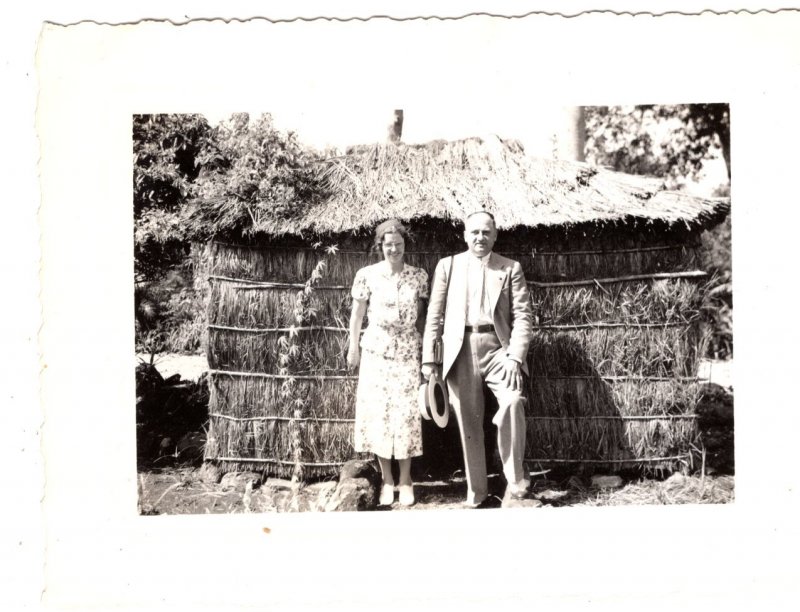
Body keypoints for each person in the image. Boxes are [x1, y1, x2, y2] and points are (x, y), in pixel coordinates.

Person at [422, 211, 534, 508]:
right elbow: (434, 316)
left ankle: (515, 479)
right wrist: (430, 361)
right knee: (468, 422)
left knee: (512, 401)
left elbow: (523, 317)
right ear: (464, 235)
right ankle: (478, 493)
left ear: (495, 235)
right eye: (474, 232)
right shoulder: (448, 266)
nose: (480, 238)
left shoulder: (510, 268)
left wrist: (515, 357)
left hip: (499, 349)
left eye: (486, 232)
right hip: (459, 349)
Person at [347, 219, 429, 507]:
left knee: (406, 414)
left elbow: (421, 319)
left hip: (408, 351)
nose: (394, 249)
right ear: (380, 246)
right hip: (376, 351)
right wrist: (353, 350)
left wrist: (427, 353)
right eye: (388, 244)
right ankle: (387, 480)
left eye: (399, 244)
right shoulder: (366, 275)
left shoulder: (418, 276)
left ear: (405, 245)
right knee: (380, 413)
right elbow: (357, 317)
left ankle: (406, 480)